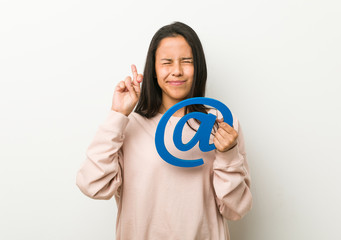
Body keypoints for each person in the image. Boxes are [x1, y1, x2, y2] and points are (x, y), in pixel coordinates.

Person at [76, 21, 252, 240]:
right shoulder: (129, 124)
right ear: (153, 70)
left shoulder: (220, 123)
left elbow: (236, 209)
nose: (177, 71)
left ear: (199, 67)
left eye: (186, 61)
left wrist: (228, 154)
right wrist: (117, 115)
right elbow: (93, 185)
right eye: (166, 62)